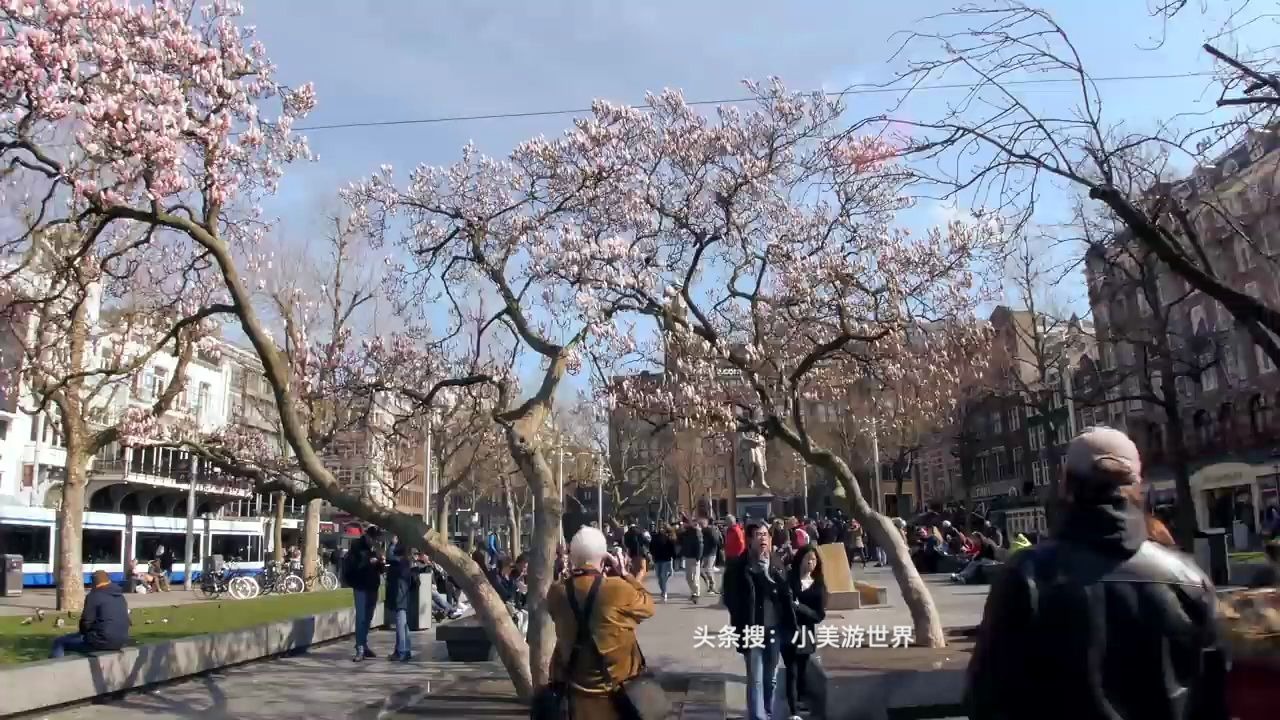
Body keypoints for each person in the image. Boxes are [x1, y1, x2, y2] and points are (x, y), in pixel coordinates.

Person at [966, 426, 1228, 720]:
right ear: (1138, 487)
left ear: (1066, 487)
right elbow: (1213, 698)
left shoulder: (1025, 576)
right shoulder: (1188, 578)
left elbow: (987, 697)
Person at [547, 526, 656, 720]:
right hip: (618, 697)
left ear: (573, 557)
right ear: (604, 557)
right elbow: (648, 606)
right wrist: (625, 574)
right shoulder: (617, 588)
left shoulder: (557, 592)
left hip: (574, 698)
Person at [723, 521, 792, 720]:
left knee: (771, 679)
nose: (763, 538)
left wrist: (771, 575)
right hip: (751, 629)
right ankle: (758, 717)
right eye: (758, 535)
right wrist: (742, 617)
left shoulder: (776, 564)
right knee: (756, 679)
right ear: (750, 540)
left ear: (770, 540)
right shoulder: (738, 566)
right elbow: (730, 597)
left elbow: (785, 593)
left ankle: (767, 712)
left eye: (765, 535)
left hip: (774, 628)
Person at [783, 545, 826, 720]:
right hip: (789, 631)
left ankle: (800, 700)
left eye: (814, 559)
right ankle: (793, 710)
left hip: (806, 632)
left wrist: (800, 608)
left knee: (802, 669)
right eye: (808, 558)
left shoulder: (818, 585)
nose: (811, 562)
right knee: (791, 670)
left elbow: (819, 615)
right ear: (800, 559)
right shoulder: (790, 579)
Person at [50, 570, 130, 658]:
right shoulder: (120, 596)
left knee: (59, 642)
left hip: (101, 641)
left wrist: (84, 633)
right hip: (121, 641)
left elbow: (86, 622)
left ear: (94, 583)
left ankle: (56, 666)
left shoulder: (94, 596)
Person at [342, 526, 385, 662]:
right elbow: (356, 565)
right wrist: (368, 560)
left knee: (369, 616)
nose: (375, 541)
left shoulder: (376, 548)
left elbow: (380, 569)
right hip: (360, 585)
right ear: (368, 536)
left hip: (373, 585)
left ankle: (364, 643)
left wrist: (381, 563)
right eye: (374, 539)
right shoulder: (357, 546)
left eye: (377, 539)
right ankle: (360, 647)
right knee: (361, 617)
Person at [385, 544, 428, 661]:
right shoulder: (406, 564)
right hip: (403, 596)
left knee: (401, 623)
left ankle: (402, 650)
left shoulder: (398, 564)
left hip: (399, 596)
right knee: (403, 624)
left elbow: (389, 555)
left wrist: (393, 544)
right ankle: (403, 649)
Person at [681, 517, 706, 602]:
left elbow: (700, 546)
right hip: (688, 557)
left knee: (694, 577)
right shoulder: (687, 532)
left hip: (694, 557)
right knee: (688, 577)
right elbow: (681, 540)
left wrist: (698, 558)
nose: (684, 524)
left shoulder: (697, 532)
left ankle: (696, 593)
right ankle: (694, 592)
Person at [650, 525, 677, 602]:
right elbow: (651, 546)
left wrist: (674, 557)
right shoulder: (655, 537)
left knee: (662, 576)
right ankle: (663, 590)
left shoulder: (669, 538)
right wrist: (652, 554)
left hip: (666, 560)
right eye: (660, 528)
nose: (661, 529)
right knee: (659, 577)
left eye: (663, 528)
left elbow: (672, 548)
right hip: (657, 559)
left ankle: (664, 592)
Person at [700, 516, 721, 596]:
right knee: (703, 570)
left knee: (708, 570)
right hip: (706, 552)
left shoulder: (712, 530)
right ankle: (709, 585)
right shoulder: (704, 530)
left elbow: (716, 541)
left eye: (702, 524)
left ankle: (713, 587)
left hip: (711, 552)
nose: (701, 525)